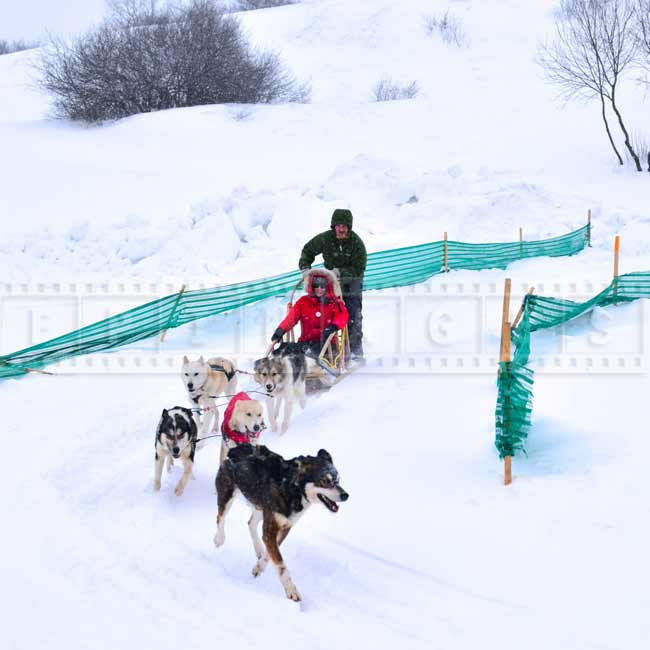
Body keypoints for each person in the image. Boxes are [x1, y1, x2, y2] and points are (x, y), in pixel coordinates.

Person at [297, 209, 367, 360]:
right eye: (338, 226)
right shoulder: (325, 239)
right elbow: (307, 250)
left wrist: (339, 272)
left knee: (352, 316)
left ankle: (355, 352)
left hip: (351, 283)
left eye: (344, 226)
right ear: (333, 226)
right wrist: (305, 269)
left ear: (349, 227)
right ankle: (327, 348)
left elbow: (359, 269)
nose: (341, 229)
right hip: (329, 283)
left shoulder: (357, 244)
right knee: (325, 315)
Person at [271, 269, 348, 358]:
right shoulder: (303, 301)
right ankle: (272, 364)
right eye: (316, 285)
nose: (319, 289)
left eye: (323, 286)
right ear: (311, 286)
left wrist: (333, 327)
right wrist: (281, 330)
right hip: (305, 342)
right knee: (286, 348)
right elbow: (291, 318)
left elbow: (342, 317)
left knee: (307, 353)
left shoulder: (335, 302)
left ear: (328, 287)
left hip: (327, 345)